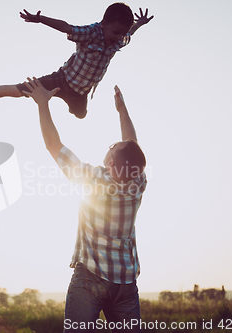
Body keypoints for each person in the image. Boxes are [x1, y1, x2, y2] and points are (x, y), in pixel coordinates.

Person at [22, 77, 147, 332]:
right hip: (125, 283)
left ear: (111, 163)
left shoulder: (93, 180)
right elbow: (132, 147)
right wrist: (123, 112)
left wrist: (42, 104)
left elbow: (53, 145)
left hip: (90, 278)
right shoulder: (138, 183)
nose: (111, 146)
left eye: (112, 148)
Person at [0, 3, 153, 119]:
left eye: (122, 34)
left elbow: (130, 32)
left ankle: (70, 104)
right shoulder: (91, 33)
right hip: (61, 80)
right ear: (104, 24)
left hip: (80, 93)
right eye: (116, 32)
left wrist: (141, 23)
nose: (119, 37)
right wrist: (40, 19)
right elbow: (66, 27)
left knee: (80, 115)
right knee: (20, 90)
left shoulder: (119, 40)